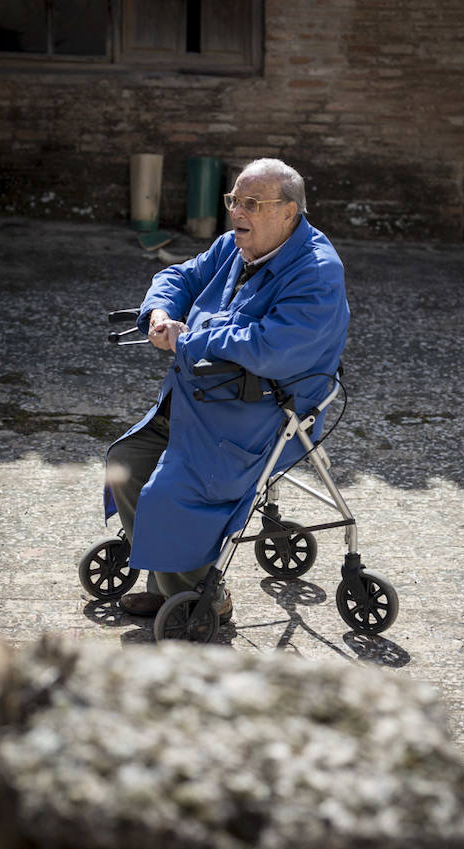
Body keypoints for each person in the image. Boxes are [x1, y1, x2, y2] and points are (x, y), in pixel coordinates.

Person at [105, 157, 350, 622]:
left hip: (263, 409)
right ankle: (170, 582)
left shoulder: (316, 272)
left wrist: (191, 336)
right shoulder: (234, 246)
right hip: (203, 398)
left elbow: (271, 347)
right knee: (126, 462)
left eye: (252, 203)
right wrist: (159, 312)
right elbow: (179, 276)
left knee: (168, 492)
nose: (237, 212)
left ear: (289, 212)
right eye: (234, 200)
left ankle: (203, 598)